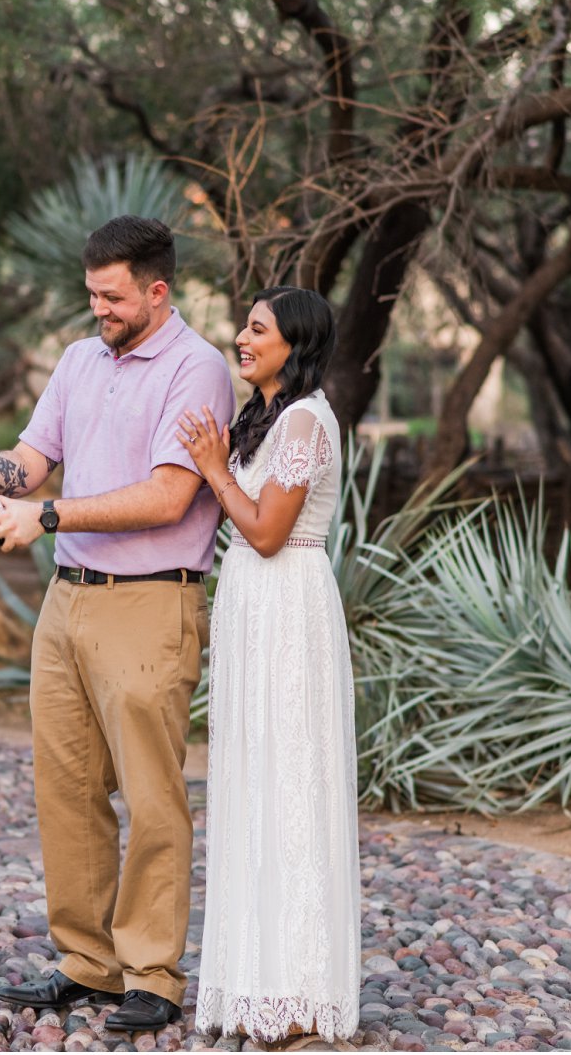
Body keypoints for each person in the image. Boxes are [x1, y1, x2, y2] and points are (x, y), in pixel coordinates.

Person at [0, 216, 235, 1032]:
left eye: (112, 295)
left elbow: (170, 496)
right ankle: (88, 962)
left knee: (151, 794)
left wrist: (47, 514)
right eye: (91, 293)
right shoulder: (77, 360)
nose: (97, 308)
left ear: (157, 290)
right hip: (66, 603)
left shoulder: (197, 370)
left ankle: (154, 974)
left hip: (149, 602)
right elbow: (26, 463)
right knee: (66, 789)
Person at [174, 286, 361, 1045]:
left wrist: (216, 470)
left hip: (289, 608)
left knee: (292, 783)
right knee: (252, 780)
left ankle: (300, 989)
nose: (243, 339)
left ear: (296, 343)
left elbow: (268, 532)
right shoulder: (268, 420)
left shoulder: (309, 421)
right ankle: (256, 978)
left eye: (258, 329)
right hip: (254, 611)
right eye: (244, 327)